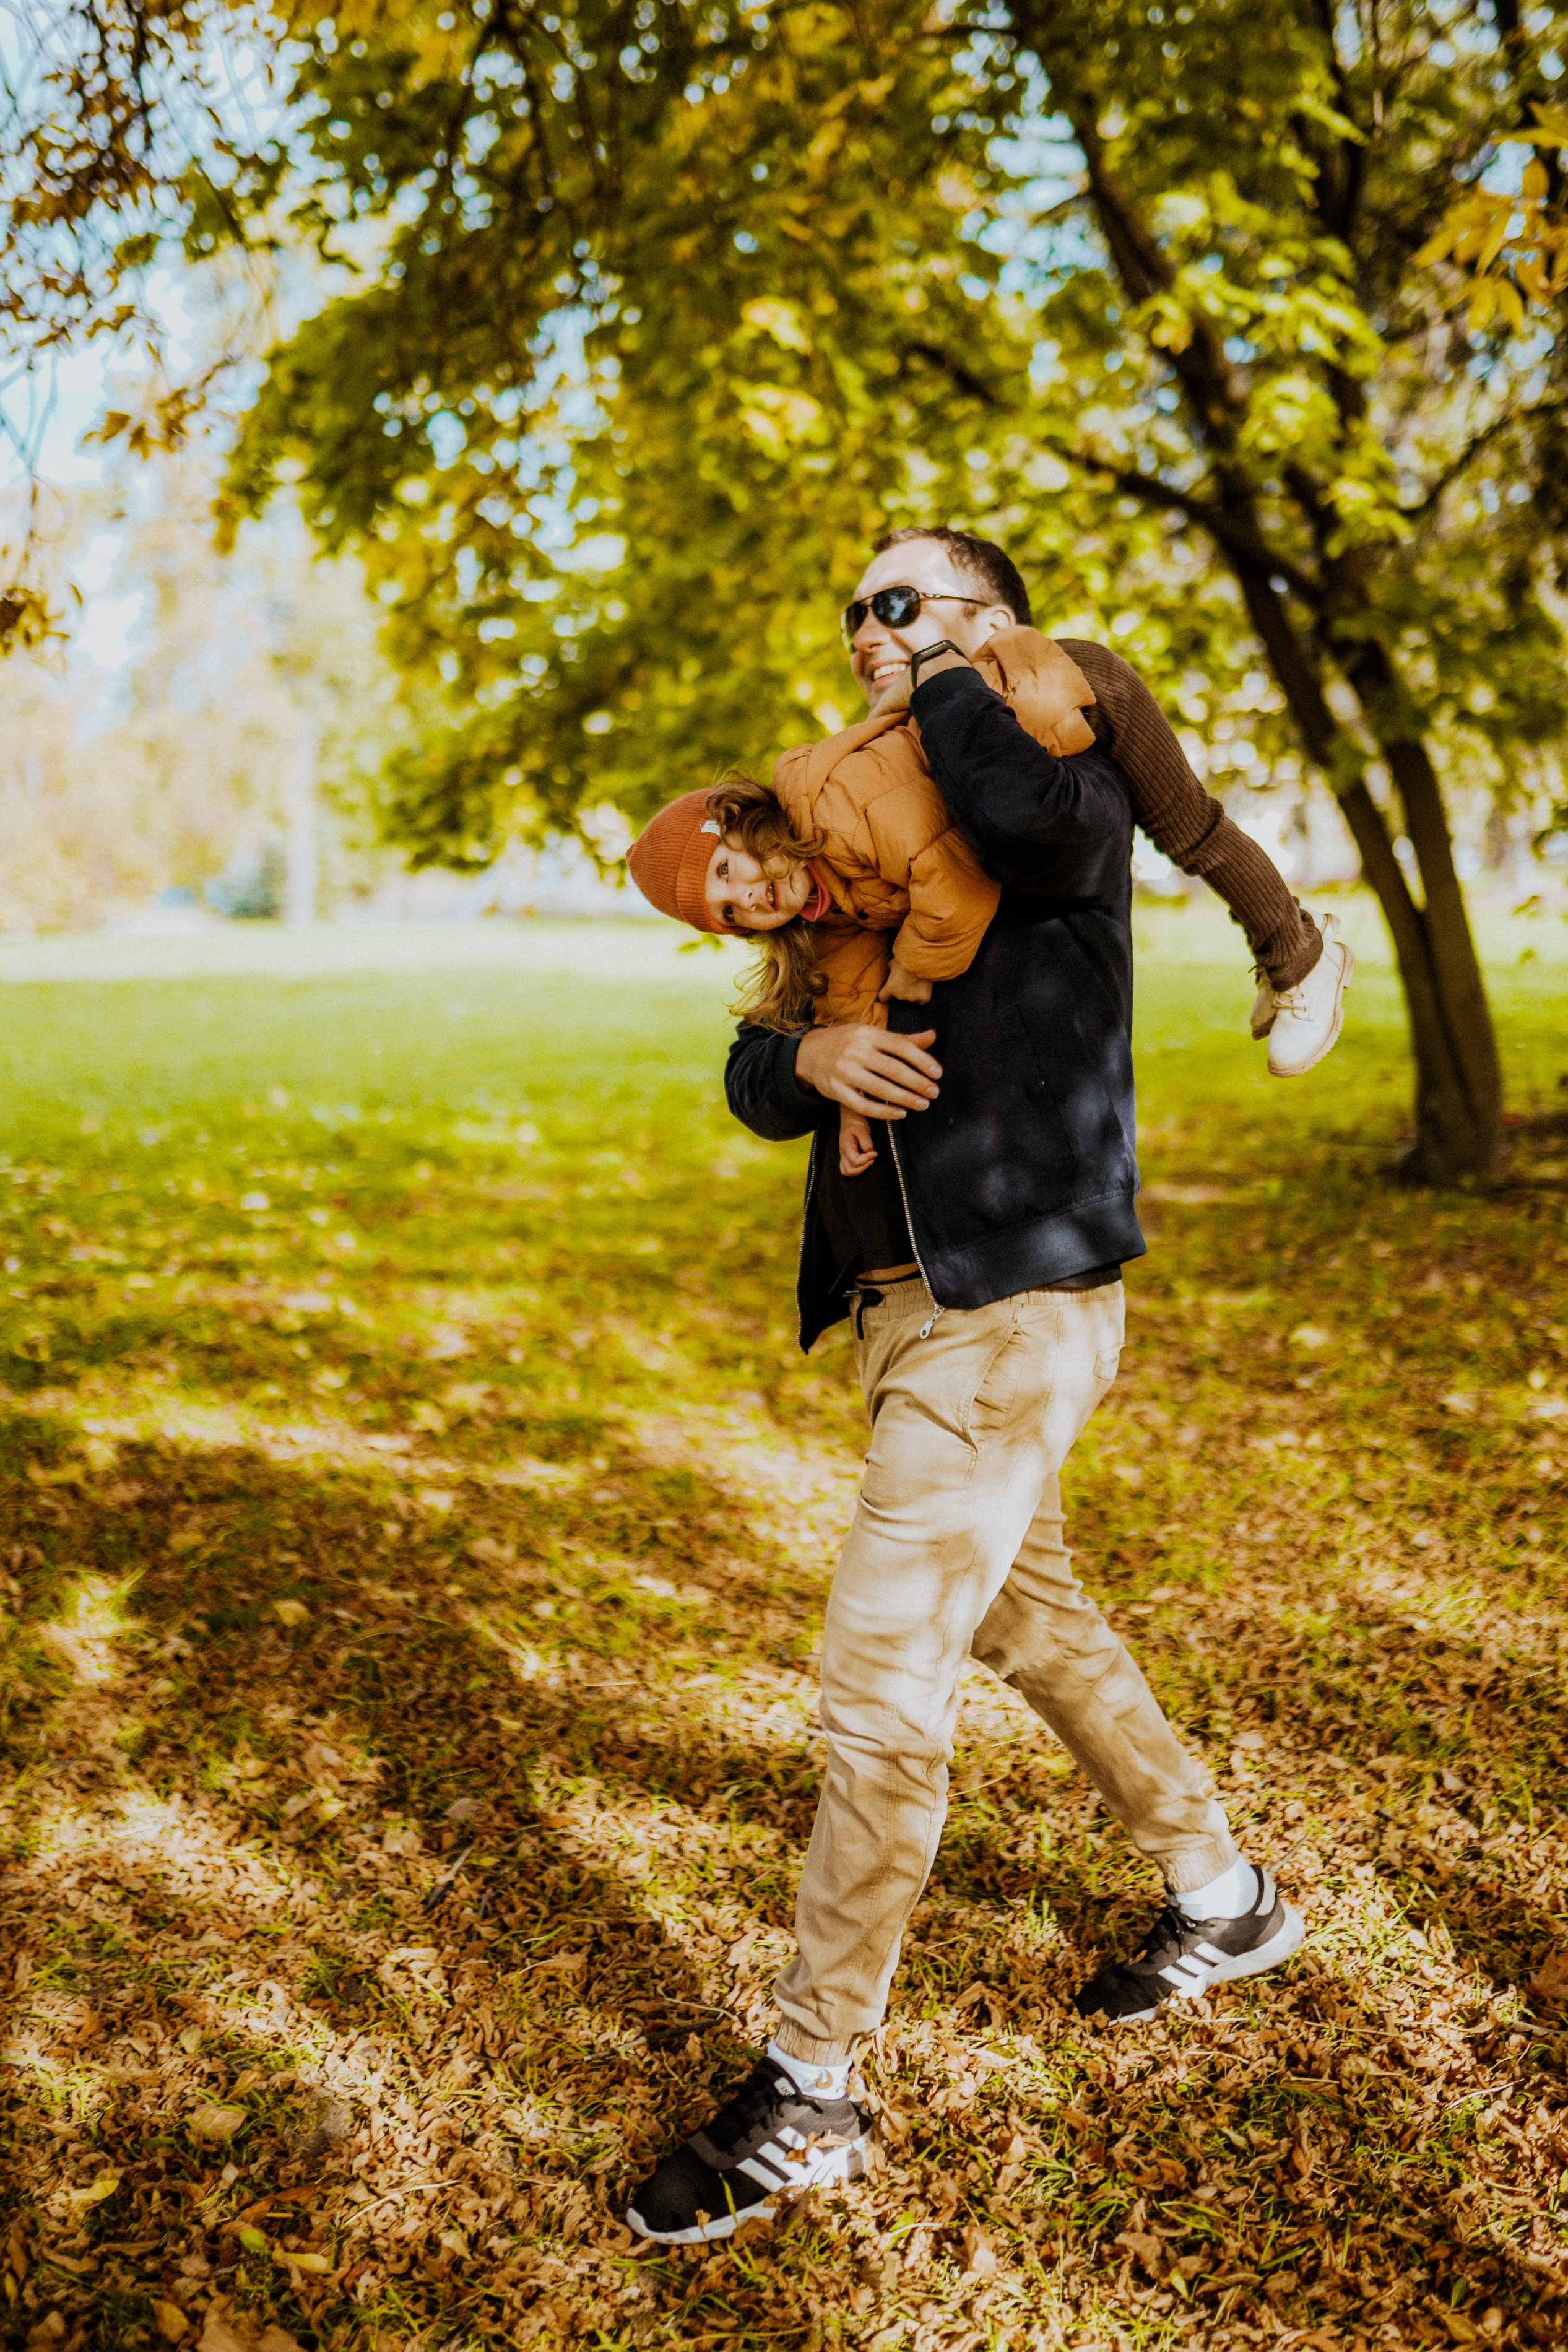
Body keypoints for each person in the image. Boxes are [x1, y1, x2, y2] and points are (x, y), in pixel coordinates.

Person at [623, 529, 1309, 2252]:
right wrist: (810, 1056)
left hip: (1013, 1306)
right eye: (855, 605)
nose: (868, 627)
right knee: (1036, 1623)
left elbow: (1021, 825)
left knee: (880, 1685)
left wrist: (952, 683)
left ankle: (814, 2088)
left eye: (904, 602)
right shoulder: (844, 843)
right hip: (900, 1313)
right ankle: (1222, 1895)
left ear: (988, 624)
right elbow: (745, 1057)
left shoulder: (1046, 787)